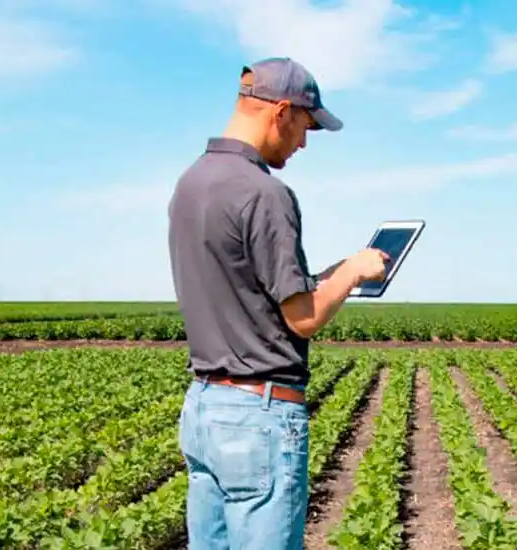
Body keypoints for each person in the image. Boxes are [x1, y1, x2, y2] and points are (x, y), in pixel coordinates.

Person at [167, 56, 389, 550]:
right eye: (306, 126)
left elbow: (249, 287)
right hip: (257, 416)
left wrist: (331, 274)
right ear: (281, 111)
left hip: (204, 407)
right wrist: (353, 272)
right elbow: (302, 317)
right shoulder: (266, 193)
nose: (304, 142)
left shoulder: (190, 184)